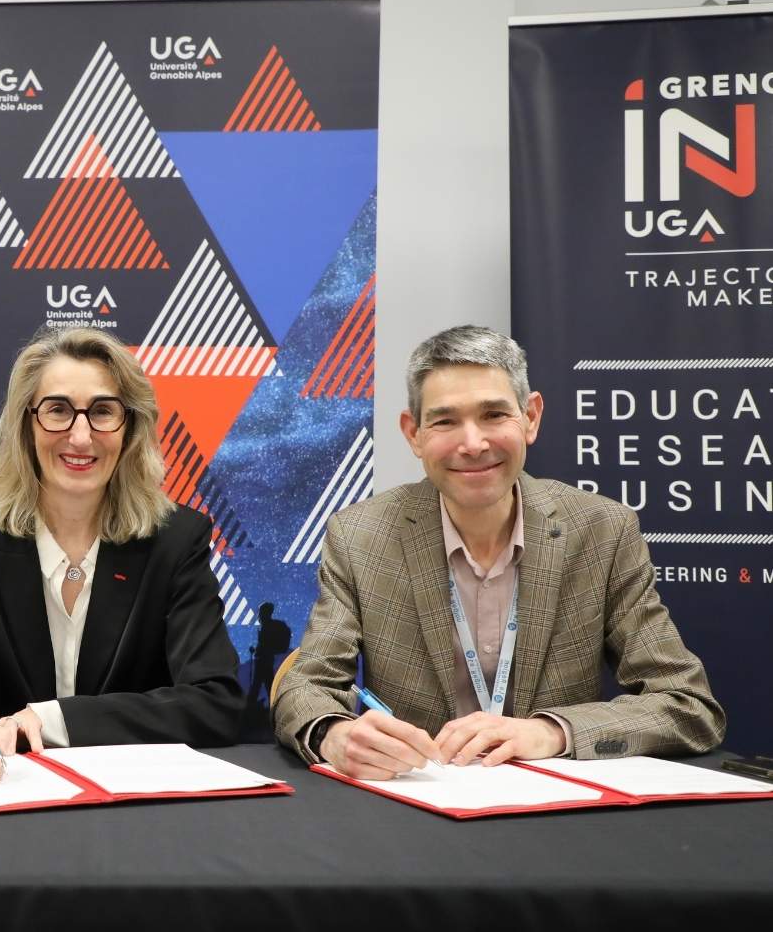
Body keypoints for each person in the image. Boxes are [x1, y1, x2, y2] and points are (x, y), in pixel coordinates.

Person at [274, 325, 724, 780]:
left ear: (530, 417)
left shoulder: (603, 531)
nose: (473, 444)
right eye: (445, 421)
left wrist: (552, 732)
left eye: (493, 414)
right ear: (413, 434)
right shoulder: (360, 536)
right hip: (417, 805)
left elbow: (687, 705)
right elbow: (308, 683)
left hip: (560, 813)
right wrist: (333, 733)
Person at [0, 327, 245, 782]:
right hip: (3, 796)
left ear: (130, 428)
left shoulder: (177, 540)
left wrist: (54, 720)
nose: (80, 437)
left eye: (103, 412)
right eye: (57, 410)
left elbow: (214, 701)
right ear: (26, 423)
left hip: (132, 804)